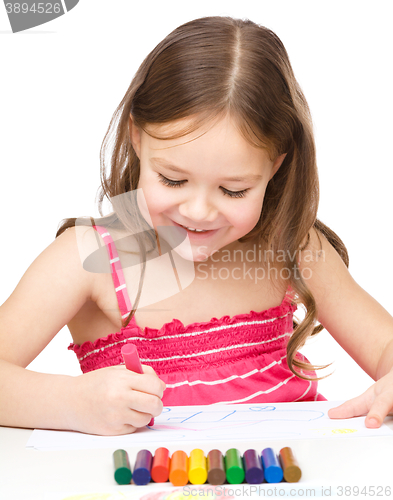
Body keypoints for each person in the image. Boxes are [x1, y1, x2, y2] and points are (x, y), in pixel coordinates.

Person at [1, 16, 392, 437]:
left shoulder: (291, 246)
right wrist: (72, 404)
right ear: (137, 137)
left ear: (275, 165)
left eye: (234, 189)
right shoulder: (89, 259)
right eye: (173, 180)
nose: (200, 211)